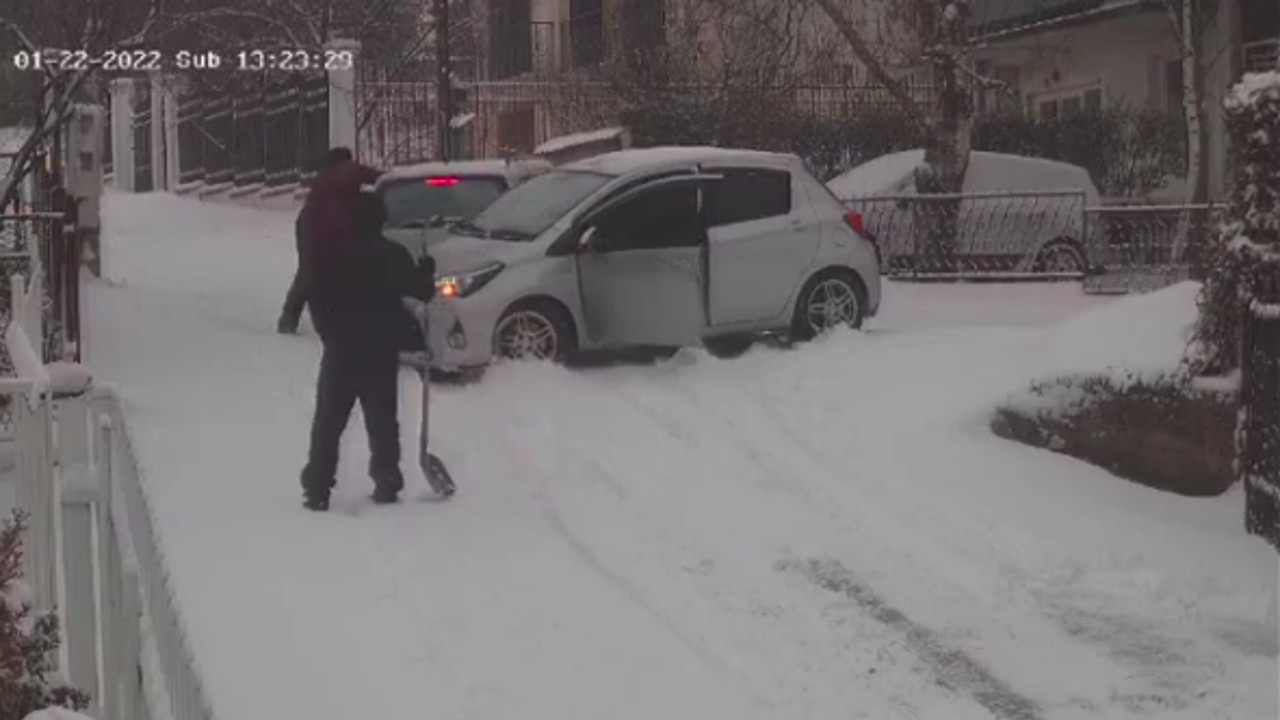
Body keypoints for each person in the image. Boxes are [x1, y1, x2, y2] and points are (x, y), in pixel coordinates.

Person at [299, 191, 436, 511]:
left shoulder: (329, 255)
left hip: (341, 350)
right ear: (381, 219)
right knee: (383, 419)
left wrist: (328, 333)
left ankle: (318, 487)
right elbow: (421, 292)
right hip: (379, 349)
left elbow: (313, 294)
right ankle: (386, 479)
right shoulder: (393, 254)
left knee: (329, 422)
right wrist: (426, 271)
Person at [278, 147, 384, 335]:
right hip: (322, 229)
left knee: (309, 271)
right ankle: (297, 317)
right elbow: (377, 178)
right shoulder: (345, 172)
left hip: (309, 226)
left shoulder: (325, 177)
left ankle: (290, 316)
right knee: (316, 271)